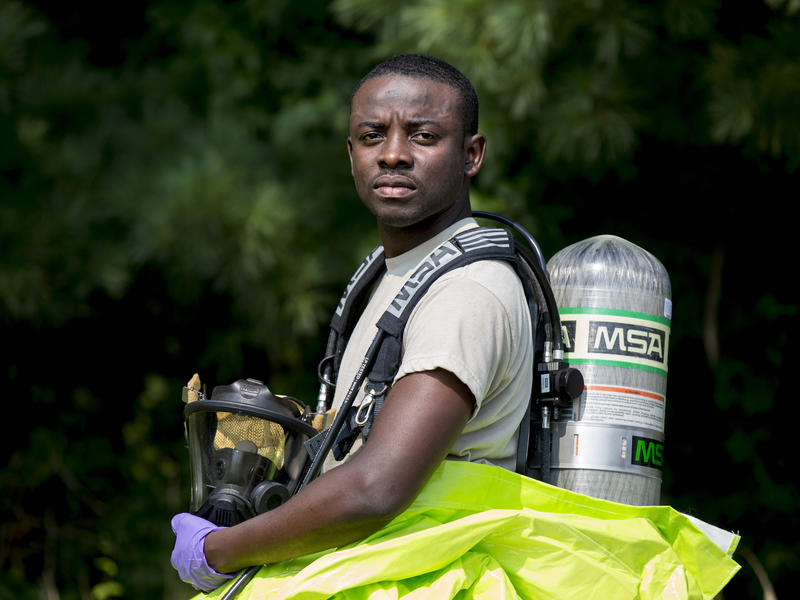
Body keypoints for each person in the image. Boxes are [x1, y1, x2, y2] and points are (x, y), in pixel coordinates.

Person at [170, 54, 533, 592]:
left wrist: (218, 550)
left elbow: (376, 488)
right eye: (371, 136)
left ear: (471, 155)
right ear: (351, 154)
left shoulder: (466, 292)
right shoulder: (398, 274)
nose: (392, 154)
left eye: (424, 136)